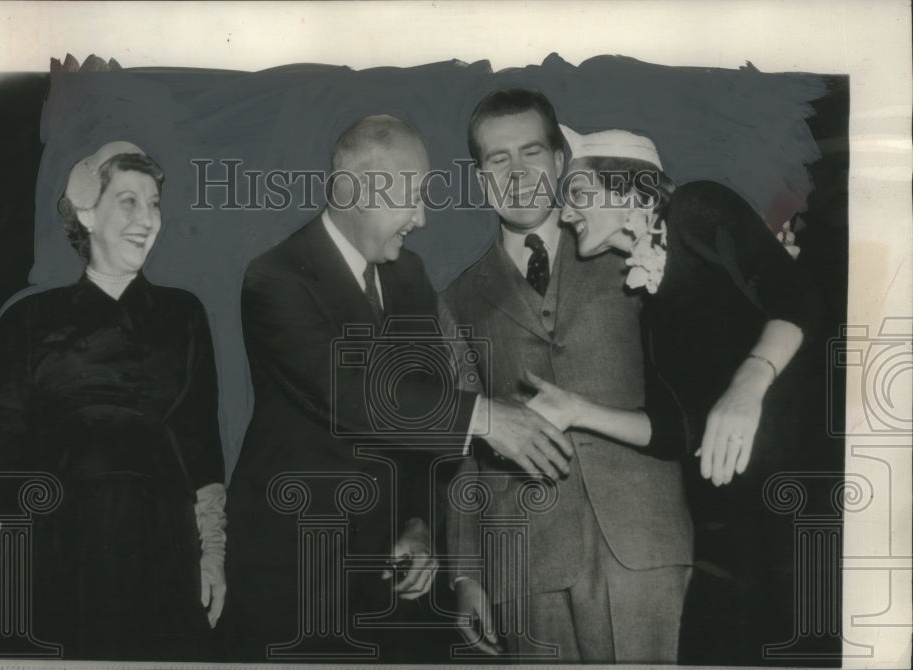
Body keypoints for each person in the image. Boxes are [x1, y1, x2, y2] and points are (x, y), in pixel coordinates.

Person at [221, 115, 574, 662]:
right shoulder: (275, 278)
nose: (423, 218)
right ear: (352, 190)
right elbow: (348, 396)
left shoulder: (409, 275)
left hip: (391, 573)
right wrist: (487, 417)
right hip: (292, 564)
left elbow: (423, 404)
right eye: (413, 198)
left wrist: (419, 522)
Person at [530, 126, 816, 664]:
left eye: (578, 194)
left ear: (631, 188)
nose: (566, 214)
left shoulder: (696, 206)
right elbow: (677, 428)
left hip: (812, 475)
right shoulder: (650, 302)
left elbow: (798, 298)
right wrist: (578, 411)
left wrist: (747, 383)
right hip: (754, 511)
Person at [441, 89, 693, 663]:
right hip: (524, 561)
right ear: (481, 178)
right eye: (497, 159)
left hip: (645, 542)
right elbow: (464, 449)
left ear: (560, 162)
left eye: (531, 151)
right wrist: (467, 575)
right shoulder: (455, 300)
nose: (517, 171)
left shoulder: (631, 249)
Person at [0, 142, 227, 661]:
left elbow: (201, 443)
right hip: (54, 538)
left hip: (159, 538)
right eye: (128, 201)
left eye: (154, 203)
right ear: (86, 212)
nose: (148, 219)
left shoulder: (184, 314)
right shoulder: (29, 319)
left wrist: (213, 555)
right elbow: (1, 453)